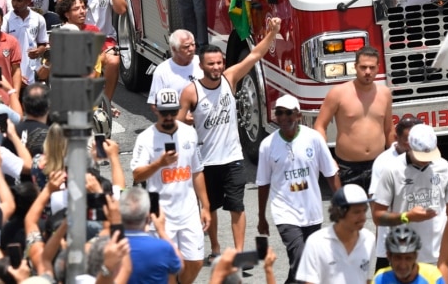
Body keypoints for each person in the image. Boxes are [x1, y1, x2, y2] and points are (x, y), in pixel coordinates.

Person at [177, 19, 280, 257]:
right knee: (210, 207)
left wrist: (272, 33)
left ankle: (238, 253)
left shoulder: (229, 79)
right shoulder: (191, 91)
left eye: (219, 63)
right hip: (206, 161)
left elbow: (254, 55)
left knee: (237, 206)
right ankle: (214, 248)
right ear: (201, 66)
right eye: (211, 64)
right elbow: (176, 123)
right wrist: (186, 121)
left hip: (233, 157)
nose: (216, 68)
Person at [130, 87, 211, 284]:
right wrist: (159, 163)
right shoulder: (146, 138)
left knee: (196, 261)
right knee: (166, 266)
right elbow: (137, 174)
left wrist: (206, 206)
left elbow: (197, 171)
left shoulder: (189, 133)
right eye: (164, 112)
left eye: (173, 112)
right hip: (161, 214)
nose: (168, 116)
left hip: (189, 210)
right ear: (155, 109)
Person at [257, 94, 339, 284]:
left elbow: (330, 173)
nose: (283, 118)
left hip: (312, 211)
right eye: (279, 113)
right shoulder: (267, 145)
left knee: (308, 263)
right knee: (300, 257)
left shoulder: (314, 139)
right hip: (285, 212)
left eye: (288, 113)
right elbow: (263, 182)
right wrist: (261, 217)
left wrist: (343, 205)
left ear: (299, 115)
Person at [372, 123, 448, 266]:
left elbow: (447, 209)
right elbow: (378, 216)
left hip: (440, 257)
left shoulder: (444, 167)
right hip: (405, 260)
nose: (425, 160)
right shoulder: (392, 170)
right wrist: (407, 217)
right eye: (421, 155)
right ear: (409, 146)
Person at [314, 46, 393, 189]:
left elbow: (389, 129)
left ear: (378, 68)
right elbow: (320, 126)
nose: (367, 72)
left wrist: (396, 158)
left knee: (380, 210)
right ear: (355, 66)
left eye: (371, 67)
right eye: (363, 67)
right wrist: (327, 158)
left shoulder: (385, 94)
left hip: (378, 164)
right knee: (349, 210)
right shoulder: (338, 93)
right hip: (347, 167)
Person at [295, 184, 375, 284]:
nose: (363, 218)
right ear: (340, 212)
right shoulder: (316, 242)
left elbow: (365, 279)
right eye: (356, 212)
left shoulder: (369, 239)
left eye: (364, 211)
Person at [121, 185, 181, 284]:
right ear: (148, 217)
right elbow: (179, 263)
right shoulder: (163, 248)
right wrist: (161, 231)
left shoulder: (108, 246)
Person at [375, 225, 446, 284]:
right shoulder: (380, 279)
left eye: (408, 258)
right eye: (398, 258)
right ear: (389, 256)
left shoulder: (433, 276)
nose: (403, 265)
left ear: (416, 256)